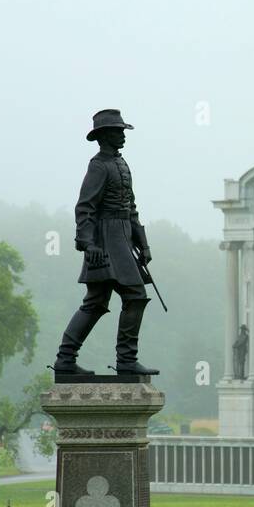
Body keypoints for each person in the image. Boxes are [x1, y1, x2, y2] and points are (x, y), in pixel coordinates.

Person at [52, 108, 157, 376]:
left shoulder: (122, 164)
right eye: (118, 131)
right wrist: (89, 244)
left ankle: (111, 360)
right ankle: (106, 360)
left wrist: (142, 244)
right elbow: (84, 208)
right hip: (104, 240)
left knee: (105, 300)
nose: (123, 136)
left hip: (122, 238)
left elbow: (131, 208)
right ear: (105, 136)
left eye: (123, 131)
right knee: (116, 299)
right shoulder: (98, 166)